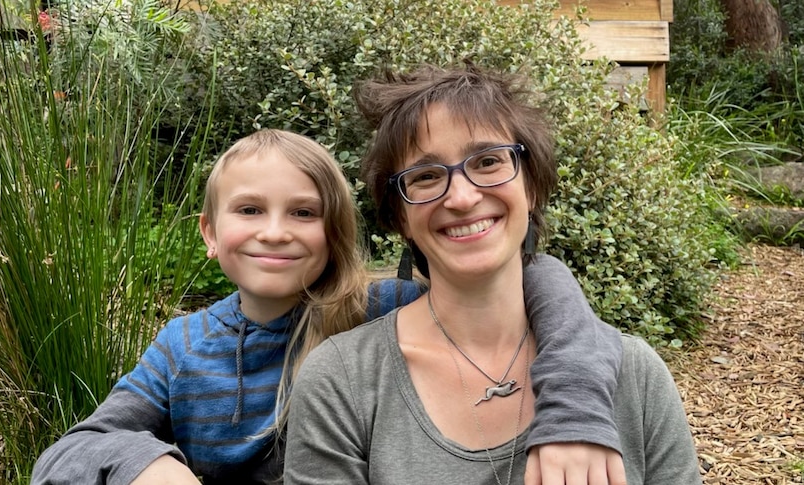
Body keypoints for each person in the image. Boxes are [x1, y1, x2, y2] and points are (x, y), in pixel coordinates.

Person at [31, 129, 625, 485]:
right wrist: (144, 461)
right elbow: (68, 454)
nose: (275, 232)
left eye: (303, 213)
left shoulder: (376, 309)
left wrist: (572, 407)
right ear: (210, 233)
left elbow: (533, 279)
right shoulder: (180, 346)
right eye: (249, 210)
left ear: (333, 232)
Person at [284, 64, 702, 485]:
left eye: (487, 161)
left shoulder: (636, 377)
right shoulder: (341, 383)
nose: (463, 198)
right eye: (426, 176)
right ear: (400, 217)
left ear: (531, 187)